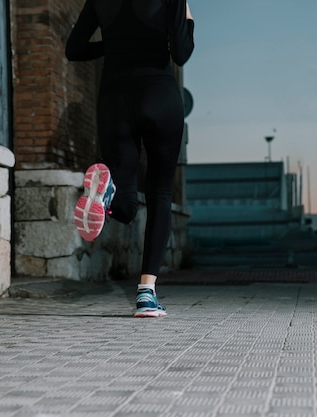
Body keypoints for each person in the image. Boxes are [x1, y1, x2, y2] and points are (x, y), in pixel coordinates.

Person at [66, 0, 195, 317]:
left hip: (115, 101)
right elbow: (181, 53)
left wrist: (110, 45)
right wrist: (188, 21)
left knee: (125, 204)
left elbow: (74, 49)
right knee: (160, 194)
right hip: (159, 96)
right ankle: (146, 295)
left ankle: (107, 196)